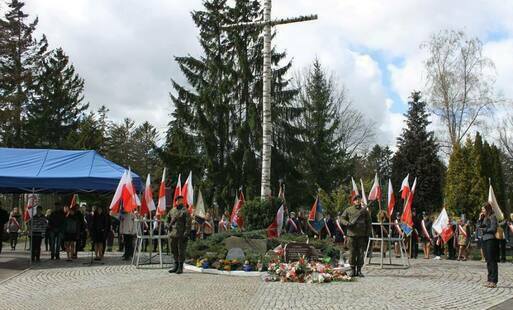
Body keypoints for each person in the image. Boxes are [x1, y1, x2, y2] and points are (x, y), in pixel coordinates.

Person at [340, 195, 372, 277]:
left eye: (359, 199)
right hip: (351, 235)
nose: (358, 201)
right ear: (353, 201)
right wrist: (347, 223)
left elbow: (368, 223)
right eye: (356, 200)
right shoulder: (348, 210)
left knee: (361, 253)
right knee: (352, 253)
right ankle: (352, 270)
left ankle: (359, 270)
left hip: (362, 235)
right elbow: (342, 218)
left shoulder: (365, 211)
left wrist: (368, 234)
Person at [478, 202, 499, 288]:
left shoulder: (492, 217)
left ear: (487, 209)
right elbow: (479, 226)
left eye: (483, 209)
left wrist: (485, 230)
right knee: (488, 260)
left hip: (491, 240)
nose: (482, 211)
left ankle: (494, 280)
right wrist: (480, 219)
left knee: (492, 260)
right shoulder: (484, 217)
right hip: (484, 240)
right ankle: (489, 279)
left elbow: (493, 229)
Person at [168, 195, 191, 274]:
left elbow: (188, 223)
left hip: (181, 234)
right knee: (174, 250)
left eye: (181, 200)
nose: (180, 201)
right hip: (173, 234)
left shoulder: (185, 211)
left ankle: (180, 267)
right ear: (176, 201)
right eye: (178, 200)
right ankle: (175, 265)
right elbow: (167, 220)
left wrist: (186, 233)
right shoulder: (172, 210)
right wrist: (166, 226)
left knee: (181, 251)